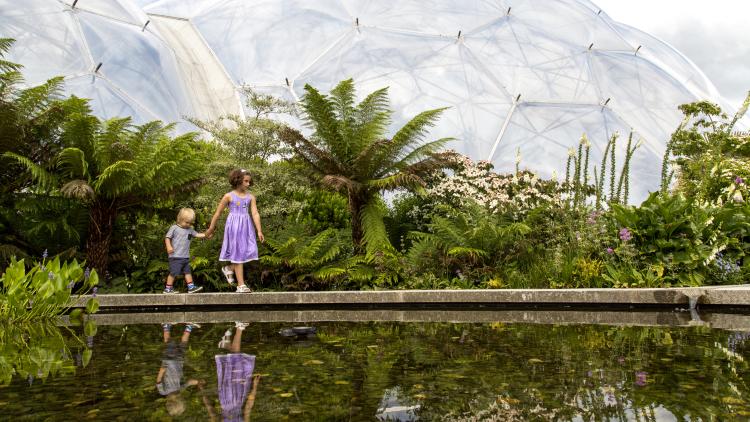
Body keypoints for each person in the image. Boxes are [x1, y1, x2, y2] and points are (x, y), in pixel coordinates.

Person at [206, 169, 264, 293]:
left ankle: (229, 268)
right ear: (238, 180)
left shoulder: (250, 197)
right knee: (238, 253)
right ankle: (241, 285)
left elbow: (254, 213)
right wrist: (211, 228)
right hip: (234, 227)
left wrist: (259, 230)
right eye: (246, 181)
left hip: (246, 227)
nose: (248, 184)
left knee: (245, 253)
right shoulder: (228, 196)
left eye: (249, 181)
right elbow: (218, 213)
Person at [156, 322, 202, 416]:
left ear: (172, 401)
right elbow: (189, 382)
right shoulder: (179, 389)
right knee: (183, 344)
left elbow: (158, 382)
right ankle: (189, 327)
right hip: (179, 361)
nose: (180, 397)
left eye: (179, 399)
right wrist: (197, 382)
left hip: (169, 361)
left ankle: (166, 326)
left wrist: (161, 371)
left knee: (169, 342)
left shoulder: (163, 391)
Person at [164, 208, 205, 294]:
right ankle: (168, 289)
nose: (188, 224)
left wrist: (206, 234)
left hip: (185, 256)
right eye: (186, 222)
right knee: (173, 272)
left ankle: (191, 287)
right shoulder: (174, 228)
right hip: (175, 256)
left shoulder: (190, 230)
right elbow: (167, 238)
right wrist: (168, 246)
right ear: (180, 219)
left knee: (187, 271)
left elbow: (197, 234)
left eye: (190, 223)